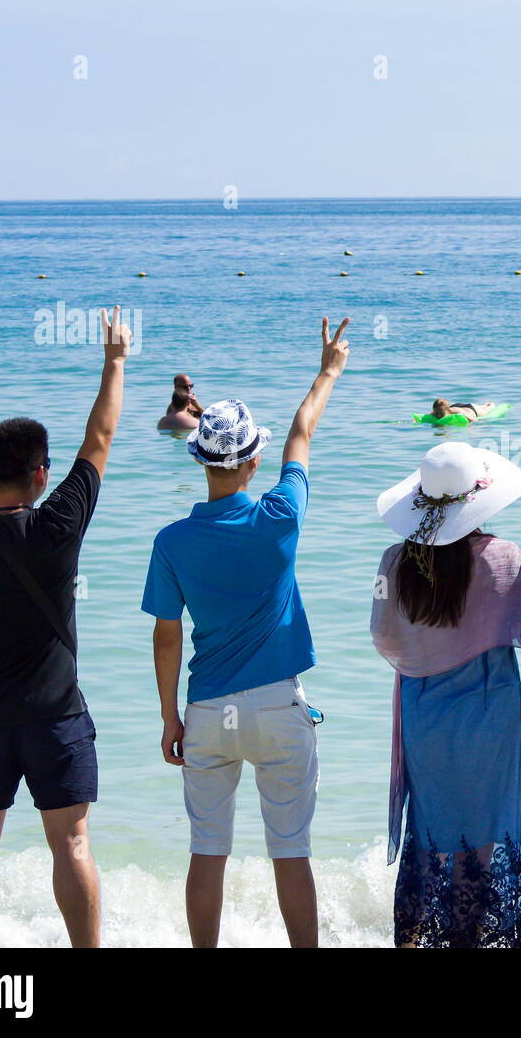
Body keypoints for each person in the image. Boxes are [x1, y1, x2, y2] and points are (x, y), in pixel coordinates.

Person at [0, 305, 131, 948]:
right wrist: (115, 360)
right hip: (56, 714)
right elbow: (98, 438)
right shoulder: (58, 525)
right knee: (70, 843)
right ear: (41, 474)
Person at [141, 316, 350, 949]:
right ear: (252, 461)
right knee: (291, 851)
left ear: (199, 459)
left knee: (208, 850)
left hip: (209, 710)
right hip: (280, 707)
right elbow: (302, 432)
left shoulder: (171, 541)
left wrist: (169, 717)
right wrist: (329, 370)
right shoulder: (281, 514)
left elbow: (167, 636)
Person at [370, 442, 521, 947]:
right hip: (489, 719)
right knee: (486, 829)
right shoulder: (505, 557)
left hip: (424, 719)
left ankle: (418, 936)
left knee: (430, 829)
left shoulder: (395, 562)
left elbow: (384, 637)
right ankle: (474, 937)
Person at [432, 398, 496, 421]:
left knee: (488, 408)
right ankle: (483, 405)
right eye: (436, 413)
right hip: (457, 405)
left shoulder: (458, 411)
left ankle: (487, 405)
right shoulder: (438, 410)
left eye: (441, 414)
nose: (438, 416)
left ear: (447, 410)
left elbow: (473, 420)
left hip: (472, 409)